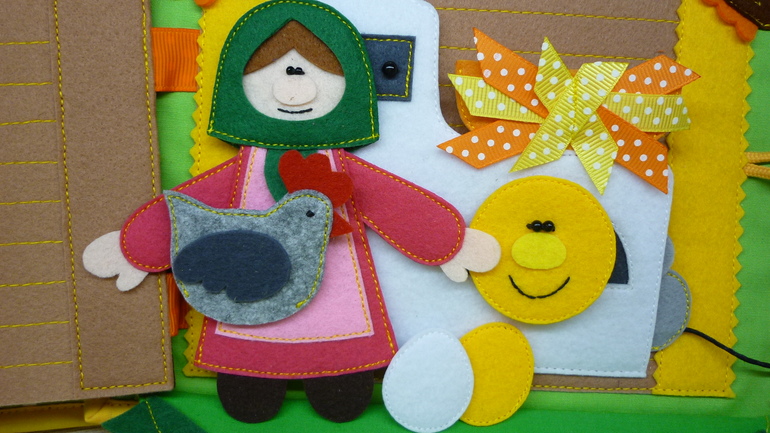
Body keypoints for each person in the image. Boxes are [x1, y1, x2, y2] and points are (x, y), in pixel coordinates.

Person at [84, 0, 498, 423]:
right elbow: (190, 206)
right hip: (248, 289)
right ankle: (253, 376)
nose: (293, 89)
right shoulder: (245, 169)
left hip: (337, 293)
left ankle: (338, 375)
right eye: (274, 73)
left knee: (340, 367)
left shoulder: (339, 168)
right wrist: (135, 248)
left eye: (316, 74)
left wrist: (447, 242)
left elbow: (394, 203)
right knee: (249, 375)